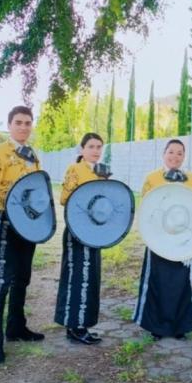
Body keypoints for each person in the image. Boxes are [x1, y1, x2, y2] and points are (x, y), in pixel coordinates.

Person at [0, 106, 46, 364]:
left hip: (28, 224)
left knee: (22, 278)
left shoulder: (33, 155)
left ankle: (16, 328)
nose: (23, 127)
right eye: (18, 122)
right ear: (9, 125)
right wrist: (20, 195)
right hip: (7, 220)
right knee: (2, 281)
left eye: (28, 123)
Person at [134, 139, 192, 340]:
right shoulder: (152, 178)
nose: (175, 157)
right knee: (158, 280)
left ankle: (179, 326)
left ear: (184, 156)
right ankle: (156, 326)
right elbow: (146, 208)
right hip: (158, 239)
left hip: (183, 240)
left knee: (181, 281)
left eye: (180, 153)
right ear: (163, 154)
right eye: (171, 152)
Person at [54, 132, 110, 345]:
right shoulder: (75, 169)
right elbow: (64, 198)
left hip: (95, 232)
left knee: (90, 278)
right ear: (82, 149)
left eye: (99, 147)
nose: (96, 151)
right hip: (78, 231)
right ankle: (75, 327)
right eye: (92, 146)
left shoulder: (102, 171)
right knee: (77, 277)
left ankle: (83, 325)